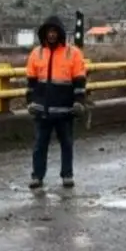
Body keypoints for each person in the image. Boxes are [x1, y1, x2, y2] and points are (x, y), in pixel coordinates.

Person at [25, 16, 88, 190]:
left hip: (65, 109)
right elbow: (31, 81)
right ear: (44, 33)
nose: (51, 35)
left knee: (66, 143)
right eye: (49, 32)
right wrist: (29, 101)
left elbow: (80, 81)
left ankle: (67, 175)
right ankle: (37, 176)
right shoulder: (36, 53)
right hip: (41, 109)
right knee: (39, 145)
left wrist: (79, 102)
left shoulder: (73, 53)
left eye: (54, 32)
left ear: (59, 33)